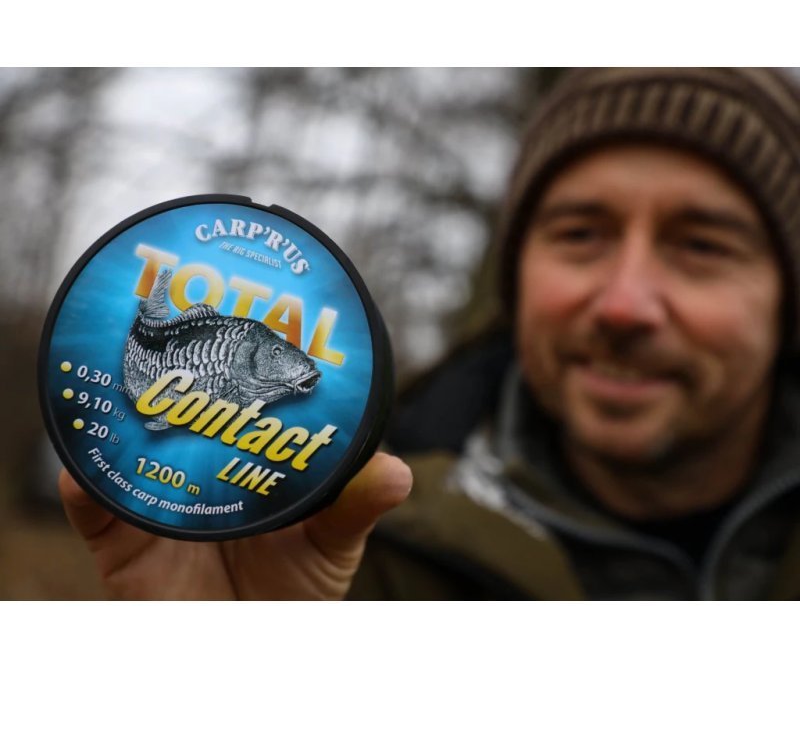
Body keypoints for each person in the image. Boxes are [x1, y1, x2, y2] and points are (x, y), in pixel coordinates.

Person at [60, 67, 800, 600]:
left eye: (702, 245)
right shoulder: (341, 551)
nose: (624, 304)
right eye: (581, 234)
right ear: (517, 275)